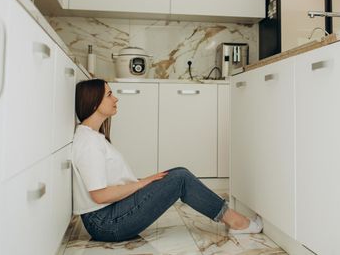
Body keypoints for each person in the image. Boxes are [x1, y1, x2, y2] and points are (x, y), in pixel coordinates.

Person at [72, 79, 263, 242]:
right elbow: (100, 196)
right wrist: (142, 183)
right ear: (94, 103)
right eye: (109, 95)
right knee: (179, 177)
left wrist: (144, 183)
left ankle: (234, 220)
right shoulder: (88, 142)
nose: (116, 98)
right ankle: (238, 222)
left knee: (177, 173)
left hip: (109, 216)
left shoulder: (92, 137)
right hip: (106, 223)